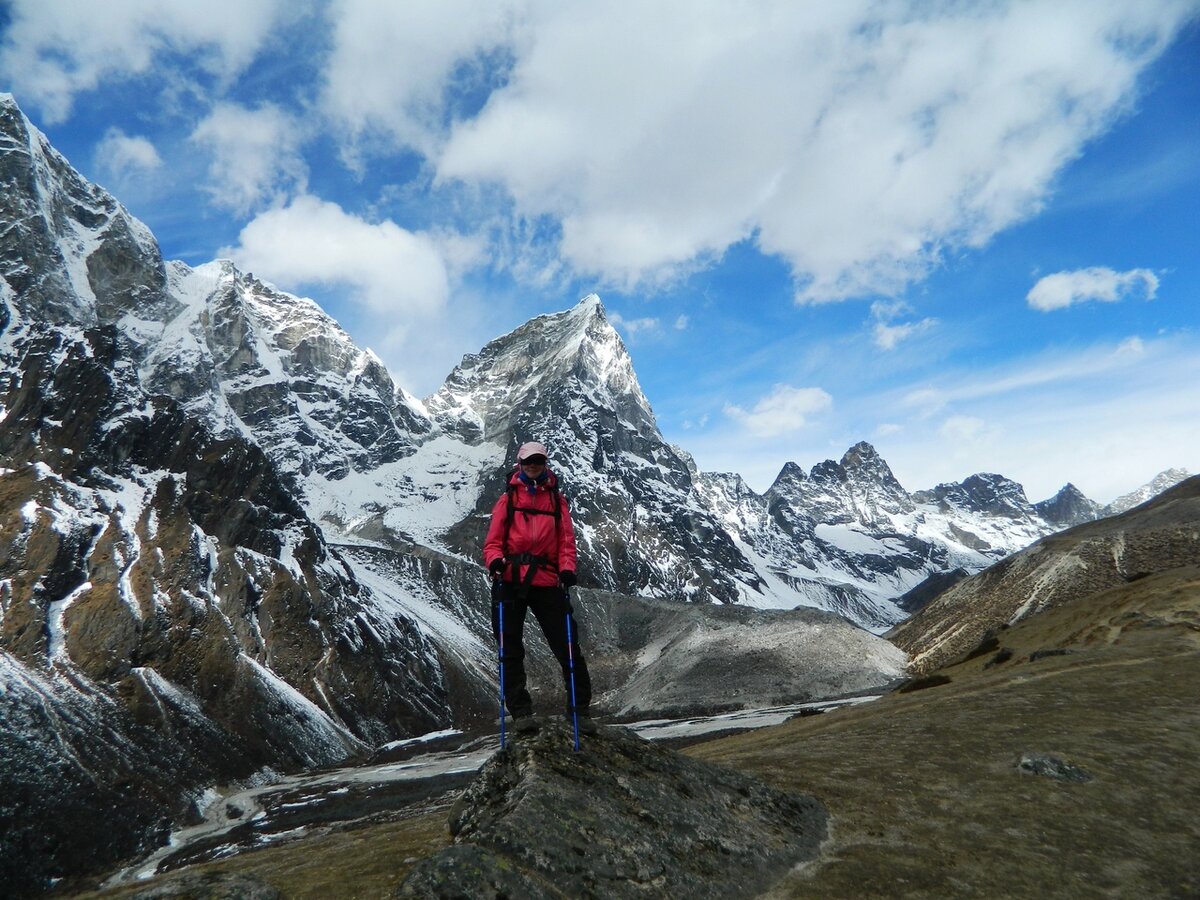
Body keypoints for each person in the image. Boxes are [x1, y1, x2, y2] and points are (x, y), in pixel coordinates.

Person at [483, 440, 595, 734]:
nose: (534, 466)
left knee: (567, 646)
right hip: (509, 579)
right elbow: (493, 542)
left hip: (546, 580)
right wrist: (495, 561)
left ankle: (579, 711)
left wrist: (568, 569)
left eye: (539, 461)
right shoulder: (507, 499)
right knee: (510, 650)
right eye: (529, 461)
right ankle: (521, 714)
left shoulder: (557, 501)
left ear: (545, 464)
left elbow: (566, 541)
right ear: (520, 463)